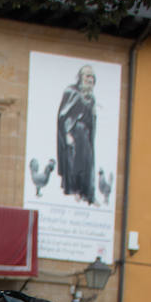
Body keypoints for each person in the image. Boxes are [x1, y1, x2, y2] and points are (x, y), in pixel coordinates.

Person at [56, 64, 96, 204]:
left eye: (92, 76)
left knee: (86, 164)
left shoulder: (91, 98)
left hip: (85, 136)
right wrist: (66, 133)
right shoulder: (71, 91)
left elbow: (91, 120)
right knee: (74, 164)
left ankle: (86, 193)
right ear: (80, 77)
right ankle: (74, 191)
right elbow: (63, 116)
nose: (90, 79)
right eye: (87, 76)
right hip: (73, 134)